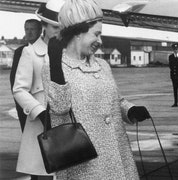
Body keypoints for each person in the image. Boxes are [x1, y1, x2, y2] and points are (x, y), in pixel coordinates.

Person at [41, 0, 151, 179]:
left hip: (118, 155)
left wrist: (130, 110)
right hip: (84, 163)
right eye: (96, 34)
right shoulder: (53, 67)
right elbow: (59, 109)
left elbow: (117, 100)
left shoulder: (103, 65)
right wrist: (55, 65)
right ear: (78, 33)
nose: (100, 41)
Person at [12, 0, 65, 179]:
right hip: (41, 125)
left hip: (65, 124)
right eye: (54, 27)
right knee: (42, 173)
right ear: (44, 27)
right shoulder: (30, 52)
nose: (59, 32)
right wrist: (40, 113)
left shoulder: (68, 52)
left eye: (62, 27)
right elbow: (19, 89)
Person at [10, 19, 42, 132]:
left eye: (32, 29)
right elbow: (13, 79)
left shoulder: (47, 50)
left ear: (40, 31)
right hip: (24, 102)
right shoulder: (19, 51)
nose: (29, 32)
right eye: (26, 29)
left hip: (41, 102)